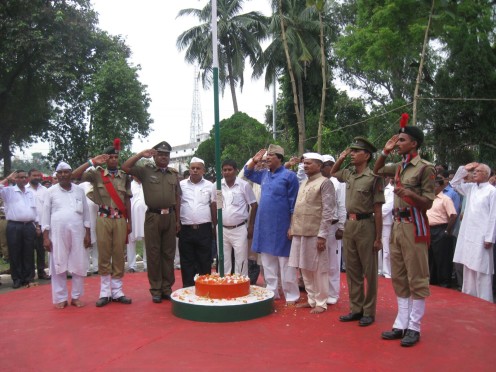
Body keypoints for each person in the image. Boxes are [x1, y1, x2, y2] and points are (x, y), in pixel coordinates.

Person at [374, 114, 435, 347]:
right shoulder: (399, 166)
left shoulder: (425, 168)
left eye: (401, 140)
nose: (397, 143)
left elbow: (428, 203)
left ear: (414, 144)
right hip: (398, 227)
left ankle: (415, 327)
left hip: (414, 226)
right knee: (398, 276)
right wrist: (385, 151)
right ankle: (401, 323)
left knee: (416, 277)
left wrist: (410, 195)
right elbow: (378, 170)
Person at [331, 137, 384, 327]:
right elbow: (333, 172)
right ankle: (356, 308)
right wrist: (342, 157)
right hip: (350, 225)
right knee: (352, 270)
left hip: (366, 224)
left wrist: (378, 238)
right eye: (350, 151)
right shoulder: (349, 173)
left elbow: (378, 210)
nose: (352, 154)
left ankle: (369, 311)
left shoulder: (374, 177)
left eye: (356, 151)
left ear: (367, 155)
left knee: (369, 271)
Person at [72, 141, 132, 307]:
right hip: (103, 217)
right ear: (105, 159)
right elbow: (74, 175)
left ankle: (118, 291)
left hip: (120, 218)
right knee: (104, 253)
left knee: (119, 253)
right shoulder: (97, 174)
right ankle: (105, 292)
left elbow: (127, 200)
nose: (113, 160)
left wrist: (129, 222)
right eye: (110, 157)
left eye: (116, 157)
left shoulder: (124, 176)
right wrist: (92, 162)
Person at [121, 141, 181, 303]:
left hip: (170, 216)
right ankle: (156, 289)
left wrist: (177, 220)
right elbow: (125, 167)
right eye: (160, 154)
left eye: (166, 155)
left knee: (168, 254)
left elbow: (177, 197)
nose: (163, 157)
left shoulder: (173, 174)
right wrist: (141, 154)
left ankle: (167, 288)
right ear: (155, 156)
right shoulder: (145, 171)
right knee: (153, 253)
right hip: (153, 217)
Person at [244, 145, 300, 305]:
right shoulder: (264, 175)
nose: (267, 158)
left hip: (282, 226)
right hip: (265, 227)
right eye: (266, 156)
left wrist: (292, 226)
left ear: (280, 158)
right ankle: (272, 291)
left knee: (286, 263)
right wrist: (254, 160)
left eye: (271, 155)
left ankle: (291, 295)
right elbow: (247, 173)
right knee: (267, 262)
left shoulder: (290, 176)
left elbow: (293, 204)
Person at [289, 153, 335, 313]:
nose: (305, 166)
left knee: (318, 269)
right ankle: (311, 299)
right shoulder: (303, 183)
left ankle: (321, 302)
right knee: (304, 267)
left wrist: (322, 235)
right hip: (300, 231)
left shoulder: (325, 183)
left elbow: (328, 211)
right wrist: (292, 228)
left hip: (315, 233)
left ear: (319, 165)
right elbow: (297, 208)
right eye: (304, 164)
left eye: (309, 163)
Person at [41, 162, 91, 309]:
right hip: (57, 233)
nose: (63, 175)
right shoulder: (50, 192)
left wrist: (87, 233)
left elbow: (86, 213)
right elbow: (45, 215)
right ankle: (60, 298)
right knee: (58, 263)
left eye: (66, 172)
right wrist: (45, 237)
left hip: (77, 232)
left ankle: (76, 297)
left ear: (71, 174)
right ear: (56, 175)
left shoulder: (79, 191)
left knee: (78, 263)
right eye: (60, 173)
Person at [451, 162, 495, 302]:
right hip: (468, 234)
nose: (474, 173)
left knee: (481, 268)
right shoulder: (471, 188)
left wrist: (490, 237)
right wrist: (464, 169)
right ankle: (469, 298)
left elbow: (494, 216)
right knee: (468, 266)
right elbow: (454, 183)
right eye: (473, 171)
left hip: (482, 236)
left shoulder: (492, 191)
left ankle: (484, 300)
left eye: (478, 171)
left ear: (486, 175)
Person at [177, 157, 216, 287]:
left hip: (204, 229)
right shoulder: (181, 185)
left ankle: (205, 287)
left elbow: (217, 205)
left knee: (204, 260)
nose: (194, 170)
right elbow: (176, 204)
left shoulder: (211, 186)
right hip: (186, 229)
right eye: (192, 168)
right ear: (189, 169)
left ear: (203, 170)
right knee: (187, 261)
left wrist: (215, 225)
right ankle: (187, 288)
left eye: (198, 168)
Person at [219, 160, 257, 276]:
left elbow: (254, 205)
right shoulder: (218, 185)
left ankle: (240, 284)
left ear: (236, 170)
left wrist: (251, 226)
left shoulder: (244, 185)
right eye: (224, 170)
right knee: (223, 259)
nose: (227, 172)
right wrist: (216, 225)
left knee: (241, 259)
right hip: (222, 229)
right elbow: (217, 205)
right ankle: (224, 284)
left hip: (239, 228)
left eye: (230, 170)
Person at [0, 170, 37, 288]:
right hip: (14, 225)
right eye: (20, 177)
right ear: (15, 179)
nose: (23, 179)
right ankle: (17, 278)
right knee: (15, 252)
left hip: (29, 225)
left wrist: (38, 225)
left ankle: (28, 278)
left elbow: (36, 210)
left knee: (28, 252)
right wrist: (7, 179)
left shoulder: (30, 192)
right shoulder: (9, 191)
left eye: (25, 177)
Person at [321, 155, 346, 304]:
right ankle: (323, 291)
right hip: (320, 226)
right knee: (321, 261)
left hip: (333, 225)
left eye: (327, 165)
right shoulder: (319, 181)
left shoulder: (338, 182)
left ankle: (333, 293)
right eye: (323, 165)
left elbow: (342, 205)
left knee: (332, 263)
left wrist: (341, 227)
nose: (324, 167)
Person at [426, 177, 457, 287]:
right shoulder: (428, 199)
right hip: (429, 229)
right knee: (431, 256)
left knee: (442, 257)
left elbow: (453, 216)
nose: (432, 188)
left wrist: (446, 231)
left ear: (441, 186)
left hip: (441, 228)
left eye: (434, 185)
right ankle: (432, 280)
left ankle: (444, 282)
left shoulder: (445, 199)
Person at [26, 168, 50, 280]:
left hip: (43, 223)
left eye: (38, 175)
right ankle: (30, 274)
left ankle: (41, 272)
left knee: (41, 250)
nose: (36, 177)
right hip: (29, 224)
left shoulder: (45, 190)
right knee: (29, 250)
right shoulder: (25, 189)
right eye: (34, 175)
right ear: (29, 176)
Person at [126, 177, 147, 273]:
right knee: (130, 240)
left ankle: (147, 264)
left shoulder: (147, 184)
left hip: (146, 217)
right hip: (132, 217)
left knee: (147, 241)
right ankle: (132, 265)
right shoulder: (129, 185)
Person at [379, 177, 394, 278]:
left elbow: (389, 206)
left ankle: (387, 271)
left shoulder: (391, 190)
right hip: (376, 220)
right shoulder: (379, 188)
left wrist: (377, 214)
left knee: (386, 248)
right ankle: (379, 269)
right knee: (378, 247)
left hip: (385, 221)